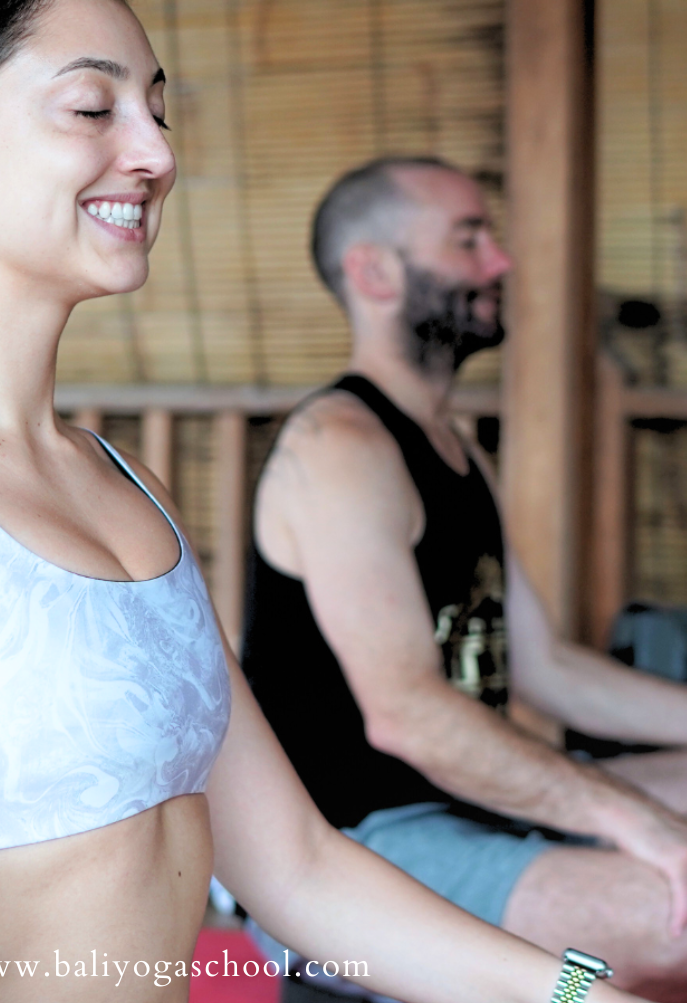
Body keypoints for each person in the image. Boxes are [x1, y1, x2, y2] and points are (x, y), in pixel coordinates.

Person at [0, 0, 635, 1003]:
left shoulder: (127, 487)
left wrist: (578, 995)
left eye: (156, 110)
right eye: (91, 109)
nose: (154, 152)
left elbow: (300, 870)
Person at [241, 155, 687, 1001]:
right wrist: (636, 822)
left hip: (470, 806)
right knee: (668, 934)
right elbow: (406, 714)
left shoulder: (459, 453)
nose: (501, 261)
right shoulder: (340, 448)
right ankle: (558, 991)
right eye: (469, 239)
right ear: (375, 272)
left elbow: (548, 669)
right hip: (355, 850)